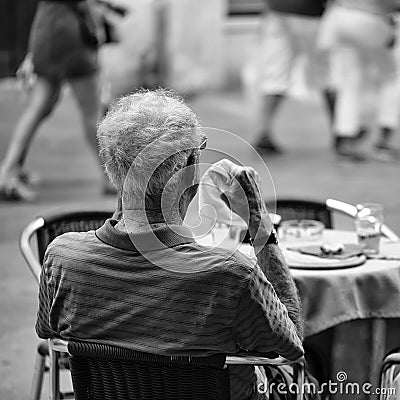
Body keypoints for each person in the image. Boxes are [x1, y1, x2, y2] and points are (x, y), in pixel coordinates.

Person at [36, 89, 304, 400]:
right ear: (188, 167)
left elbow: (48, 332)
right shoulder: (232, 276)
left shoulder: (62, 259)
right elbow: (292, 346)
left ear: (113, 169)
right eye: (198, 153)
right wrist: (259, 223)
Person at [0, 0, 110, 201]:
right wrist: (97, 29)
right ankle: (109, 176)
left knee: (40, 105)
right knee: (91, 110)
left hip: (45, 31)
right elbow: (84, 5)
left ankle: (7, 171)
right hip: (70, 34)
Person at [318, 0, 400, 162]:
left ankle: (345, 140)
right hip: (367, 19)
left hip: (337, 19)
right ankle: (384, 143)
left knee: (349, 82)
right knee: (393, 76)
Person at [254, 0, 333, 155]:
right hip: (309, 13)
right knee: (326, 72)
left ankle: (264, 130)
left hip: (277, 10)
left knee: (276, 72)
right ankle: (342, 132)